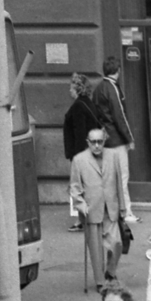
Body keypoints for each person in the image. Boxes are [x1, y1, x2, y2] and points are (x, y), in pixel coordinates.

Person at [70, 126, 127, 288]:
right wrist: (81, 204)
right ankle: (100, 282)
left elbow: (118, 183)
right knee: (95, 249)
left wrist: (123, 207)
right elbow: (74, 187)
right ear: (88, 142)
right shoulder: (78, 160)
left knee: (116, 244)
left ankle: (110, 271)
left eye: (100, 142)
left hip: (111, 208)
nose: (96, 145)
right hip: (91, 209)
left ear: (104, 141)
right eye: (93, 142)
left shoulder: (114, 155)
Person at [90, 56, 136, 220]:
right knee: (122, 177)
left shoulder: (98, 89)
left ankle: (109, 212)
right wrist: (129, 138)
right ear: (118, 71)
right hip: (116, 139)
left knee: (107, 178)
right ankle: (126, 212)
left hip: (105, 138)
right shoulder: (113, 88)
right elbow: (120, 115)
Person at [62, 73, 100, 227]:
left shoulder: (78, 106)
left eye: (71, 86)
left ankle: (81, 220)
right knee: (86, 186)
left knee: (78, 187)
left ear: (77, 88)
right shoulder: (88, 103)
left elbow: (80, 132)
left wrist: (78, 157)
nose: (69, 90)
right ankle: (87, 218)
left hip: (81, 153)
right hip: (90, 151)